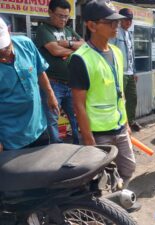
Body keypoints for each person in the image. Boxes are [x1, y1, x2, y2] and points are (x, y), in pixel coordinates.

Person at [69, 0, 137, 191]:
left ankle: (118, 201)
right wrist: (88, 138)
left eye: (117, 22)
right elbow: (78, 105)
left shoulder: (116, 52)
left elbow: (119, 92)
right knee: (100, 179)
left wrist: (126, 124)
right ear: (91, 25)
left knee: (128, 167)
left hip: (119, 126)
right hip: (98, 133)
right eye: (110, 22)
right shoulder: (80, 59)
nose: (116, 26)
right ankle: (103, 213)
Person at [0, 17, 59, 151]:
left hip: (38, 128)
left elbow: (40, 70)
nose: (3, 55)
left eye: (5, 47)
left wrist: (50, 94)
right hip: (10, 138)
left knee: (44, 167)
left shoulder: (26, 44)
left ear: (9, 31)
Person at [35, 0, 84, 144]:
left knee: (77, 117)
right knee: (52, 119)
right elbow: (55, 51)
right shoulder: (44, 30)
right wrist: (74, 49)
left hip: (72, 84)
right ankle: (56, 151)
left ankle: (79, 145)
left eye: (66, 16)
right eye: (60, 15)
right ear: (50, 12)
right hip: (52, 84)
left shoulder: (69, 30)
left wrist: (68, 44)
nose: (63, 19)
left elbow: (85, 46)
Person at [110, 8, 141, 132]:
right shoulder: (115, 33)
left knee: (132, 98)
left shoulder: (129, 34)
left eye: (130, 20)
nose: (129, 22)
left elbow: (131, 54)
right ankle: (121, 123)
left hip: (129, 72)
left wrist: (134, 71)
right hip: (120, 73)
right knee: (119, 99)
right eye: (126, 19)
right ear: (120, 20)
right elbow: (111, 51)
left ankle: (131, 121)